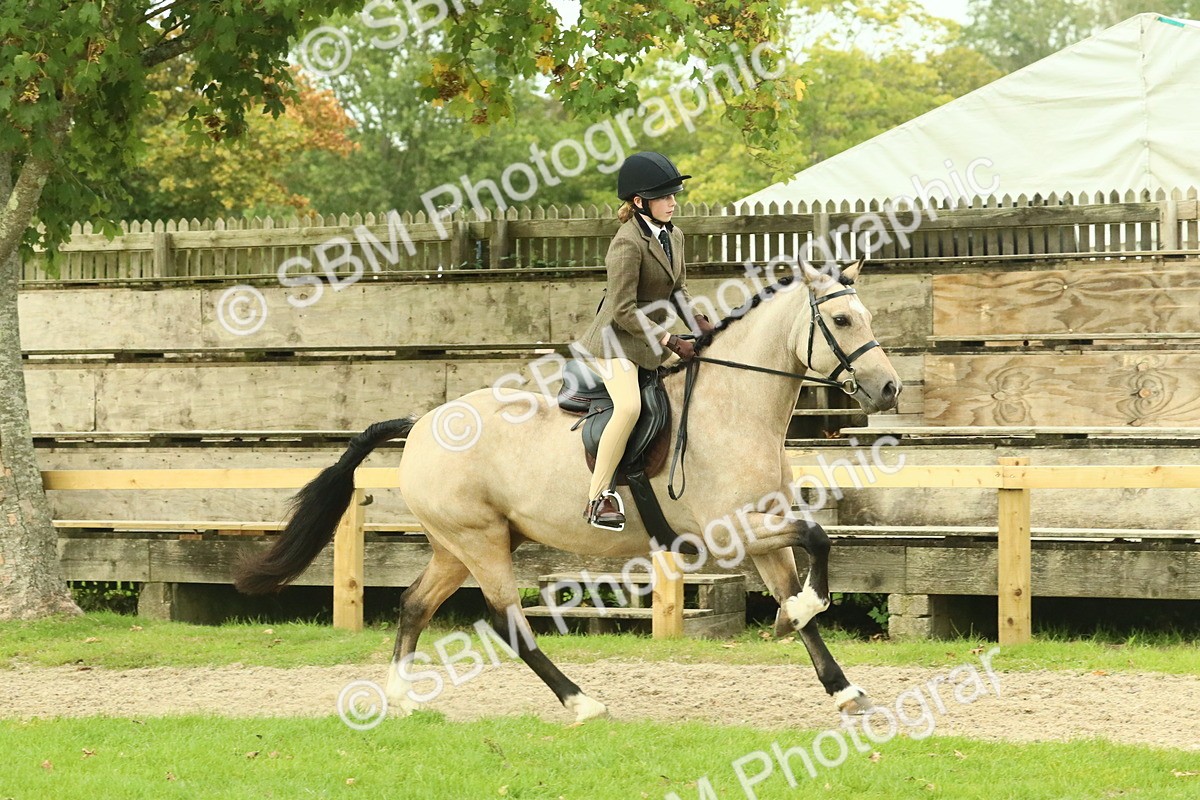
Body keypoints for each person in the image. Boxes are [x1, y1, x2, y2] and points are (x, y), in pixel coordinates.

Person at [574, 152, 715, 531]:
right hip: (614, 342)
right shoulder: (627, 244)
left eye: (674, 195)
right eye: (665, 197)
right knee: (629, 408)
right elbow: (622, 309)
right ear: (639, 203)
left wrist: (699, 324)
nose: (673, 202)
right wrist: (671, 339)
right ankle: (598, 497)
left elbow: (679, 290)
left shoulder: (675, 235)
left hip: (646, 341)